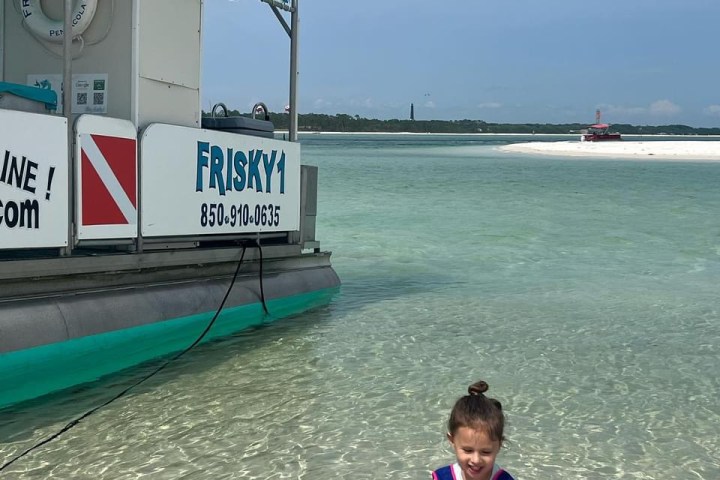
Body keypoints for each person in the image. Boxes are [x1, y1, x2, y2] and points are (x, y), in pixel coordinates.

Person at [431, 380, 515, 480]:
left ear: (499, 445)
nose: (476, 460)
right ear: (452, 440)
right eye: (468, 450)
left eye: (486, 452)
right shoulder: (443, 477)